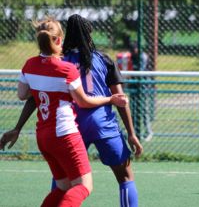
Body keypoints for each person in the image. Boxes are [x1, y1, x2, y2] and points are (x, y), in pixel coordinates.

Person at [0, 14, 143, 207]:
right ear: (89, 34)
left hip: (72, 127)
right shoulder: (103, 59)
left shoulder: (58, 60)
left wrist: (17, 127)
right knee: (125, 176)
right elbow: (121, 100)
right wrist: (132, 134)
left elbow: (34, 97)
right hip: (101, 124)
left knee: (63, 183)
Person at [130, 41, 153, 142]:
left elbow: (140, 70)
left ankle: (148, 132)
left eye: (134, 49)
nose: (133, 52)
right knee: (133, 109)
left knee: (144, 110)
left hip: (143, 87)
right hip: (133, 86)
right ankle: (134, 131)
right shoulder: (131, 57)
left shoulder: (143, 56)